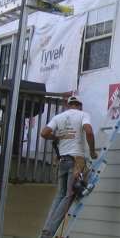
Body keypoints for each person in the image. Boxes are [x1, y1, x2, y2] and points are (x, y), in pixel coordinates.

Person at [40, 95, 97, 231]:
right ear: (80, 105)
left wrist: (56, 137)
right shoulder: (83, 115)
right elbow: (88, 131)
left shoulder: (59, 117)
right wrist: (93, 152)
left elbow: (44, 133)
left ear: (68, 105)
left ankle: (47, 225)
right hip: (76, 160)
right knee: (69, 194)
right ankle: (51, 227)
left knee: (60, 194)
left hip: (63, 160)